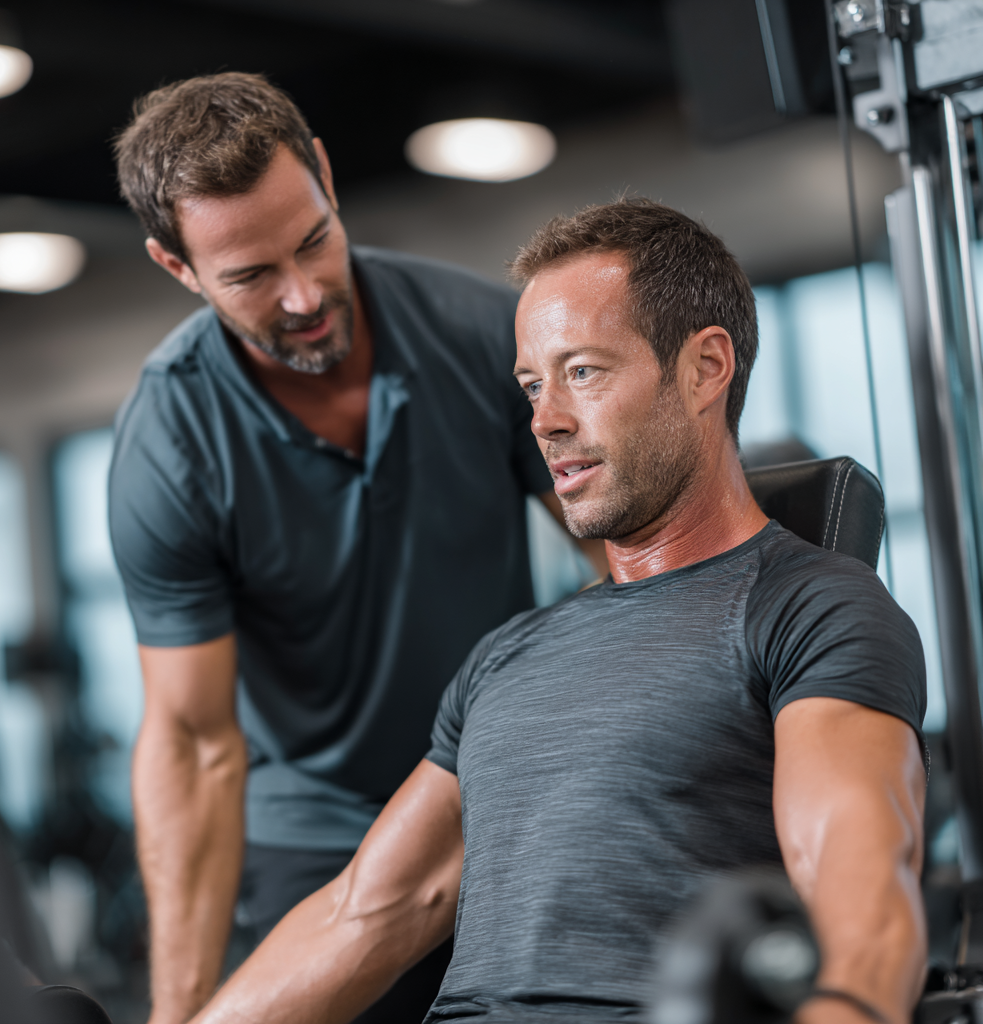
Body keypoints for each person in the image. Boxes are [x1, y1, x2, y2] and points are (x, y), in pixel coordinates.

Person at [188, 199, 928, 1024]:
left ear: (705, 368)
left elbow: (858, 889)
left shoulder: (808, 609)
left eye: (582, 372)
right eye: (532, 385)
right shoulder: (510, 654)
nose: (545, 420)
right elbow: (362, 911)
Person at [108, 72, 604, 1024]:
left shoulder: (479, 337)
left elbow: (622, 563)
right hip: (315, 838)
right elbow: (194, 743)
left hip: (494, 799)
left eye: (313, 241)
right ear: (178, 267)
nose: (303, 297)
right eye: (250, 276)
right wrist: (177, 1011)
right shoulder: (169, 447)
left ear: (325, 175)